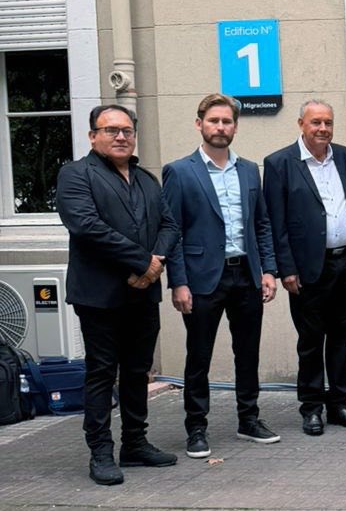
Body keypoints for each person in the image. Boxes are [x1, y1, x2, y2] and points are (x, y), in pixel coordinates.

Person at [56, 104, 180, 485]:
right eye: (111, 130)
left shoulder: (146, 179)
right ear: (93, 136)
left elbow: (170, 225)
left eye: (127, 130)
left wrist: (154, 263)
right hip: (99, 296)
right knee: (101, 373)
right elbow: (87, 227)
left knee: (138, 371)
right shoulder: (75, 174)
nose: (121, 136)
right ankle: (100, 452)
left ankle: (135, 443)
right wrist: (144, 263)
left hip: (143, 295)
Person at [164, 93, 279, 460]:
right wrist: (178, 282)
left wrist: (268, 270)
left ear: (235, 127)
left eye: (227, 121)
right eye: (214, 121)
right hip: (201, 279)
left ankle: (249, 419)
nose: (220, 127)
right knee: (198, 356)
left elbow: (261, 224)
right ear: (200, 124)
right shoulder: (179, 171)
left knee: (247, 353)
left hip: (245, 274)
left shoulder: (248, 170)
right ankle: (196, 428)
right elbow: (172, 231)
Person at [263, 100, 346, 436]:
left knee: (342, 336)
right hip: (307, 269)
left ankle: (339, 404)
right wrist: (286, 269)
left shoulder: (345, 157)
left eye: (328, 122)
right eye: (316, 122)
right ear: (301, 124)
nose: (323, 129)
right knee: (310, 340)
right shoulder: (279, 163)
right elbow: (275, 222)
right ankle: (311, 408)